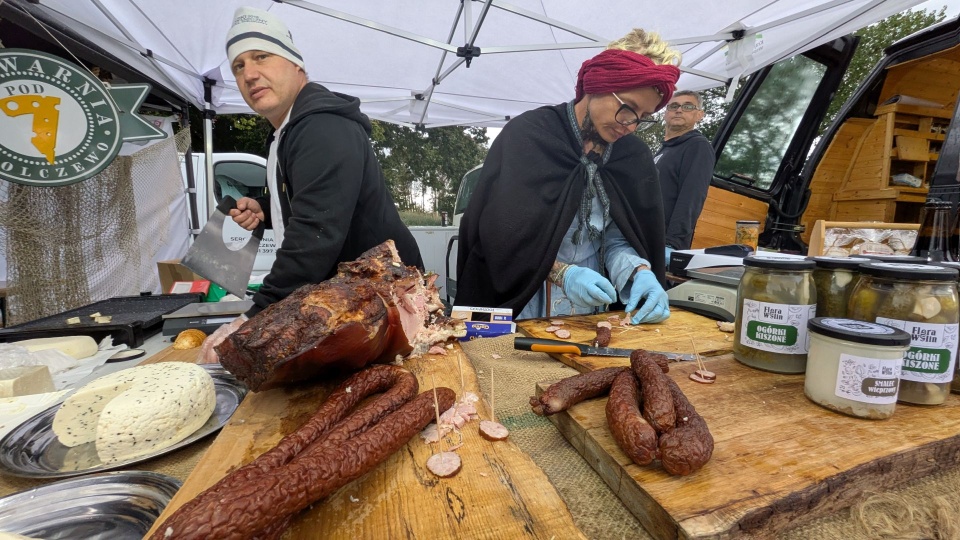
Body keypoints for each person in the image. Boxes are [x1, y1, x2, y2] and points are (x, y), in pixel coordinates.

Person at [199, 6, 423, 361]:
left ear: (296, 65)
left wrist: (256, 316)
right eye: (238, 66)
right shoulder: (286, 131)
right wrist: (266, 206)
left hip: (386, 296)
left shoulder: (321, 127)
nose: (250, 74)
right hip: (352, 295)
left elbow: (316, 232)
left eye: (261, 57)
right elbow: (312, 198)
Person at [455, 29, 679, 324]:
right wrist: (563, 272)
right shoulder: (528, 136)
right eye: (628, 108)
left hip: (589, 310)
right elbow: (499, 237)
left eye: (643, 116)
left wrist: (640, 272)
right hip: (519, 305)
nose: (631, 125)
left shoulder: (631, 156)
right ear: (598, 85)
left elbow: (616, 239)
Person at [654, 90, 714, 259]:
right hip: (641, 234)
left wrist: (672, 243)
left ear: (699, 115)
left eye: (687, 106)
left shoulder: (698, 146)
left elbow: (692, 196)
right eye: (674, 106)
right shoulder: (664, 150)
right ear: (665, 114)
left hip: (663, 243)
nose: (679, 110)